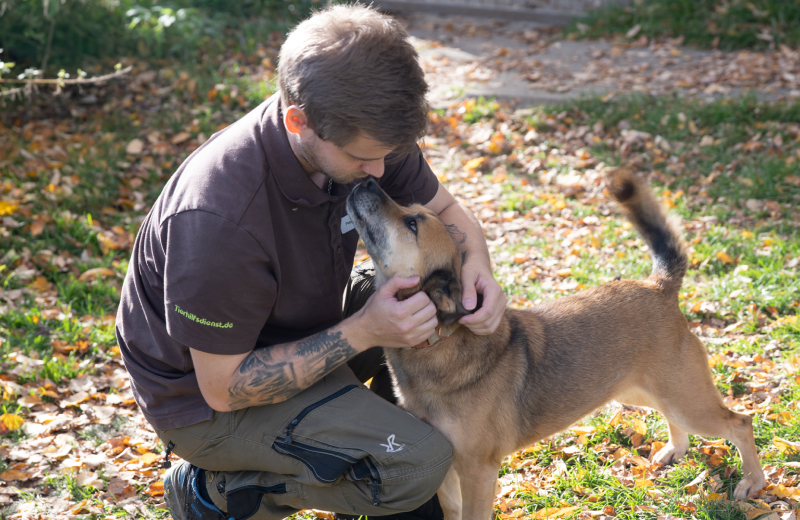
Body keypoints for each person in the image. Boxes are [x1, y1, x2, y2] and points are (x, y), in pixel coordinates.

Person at [115, 5, 506, 520]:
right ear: (297, 119)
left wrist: (476, 264)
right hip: (208, 404)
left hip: (298, 325)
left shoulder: (362, 130)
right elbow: (223, 386)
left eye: (389, 153)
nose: (380, 170)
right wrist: (365, 331)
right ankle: (217, 493)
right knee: (419, 462)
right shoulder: (220, 220)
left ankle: (356, 436)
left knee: (424, 302)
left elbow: (446, 212)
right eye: (364, 159)